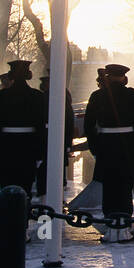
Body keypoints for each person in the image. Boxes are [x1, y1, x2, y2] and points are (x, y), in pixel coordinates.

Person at [82, 63, 134, 242]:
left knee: (110, 186)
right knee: (125, 186)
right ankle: (125, 223)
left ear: (108, 77)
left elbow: (89, 126)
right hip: (127, 145)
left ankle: (111, 222)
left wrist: (95, 148)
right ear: (124, 78)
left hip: (106, 144)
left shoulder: (97, 96)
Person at [0, 59, 46, 198]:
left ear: (11, 75)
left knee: (7, 185)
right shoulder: (37, 96)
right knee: (25, 186)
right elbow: (41, 128)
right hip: (29, 146)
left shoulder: (0, 96)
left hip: (6, 146)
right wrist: (40, 153)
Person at [37, 74, 76, 204]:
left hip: (47, 135)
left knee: (46, 167)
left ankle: (46, 196)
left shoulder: (44, 97)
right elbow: (70, 119)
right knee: (55, 166)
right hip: (59, 135)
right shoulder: (62, 95)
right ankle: (58, 196)